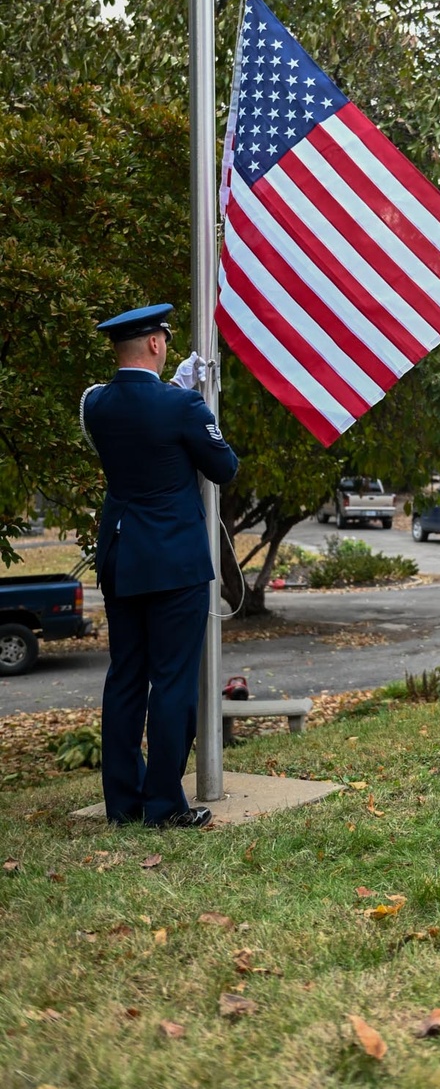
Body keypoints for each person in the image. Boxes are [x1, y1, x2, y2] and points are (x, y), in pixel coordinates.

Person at [81, 303, 239, 828]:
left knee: (125, 677)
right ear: (154, 344)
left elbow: (131, 428)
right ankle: (164, 804)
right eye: (165, 339)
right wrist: (195, 405)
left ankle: (122, 803)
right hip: (174, 561)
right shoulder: (183, 406)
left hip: (122, 556)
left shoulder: (95, 405)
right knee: (172, 682)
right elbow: (224, 467)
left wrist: (177, 396)